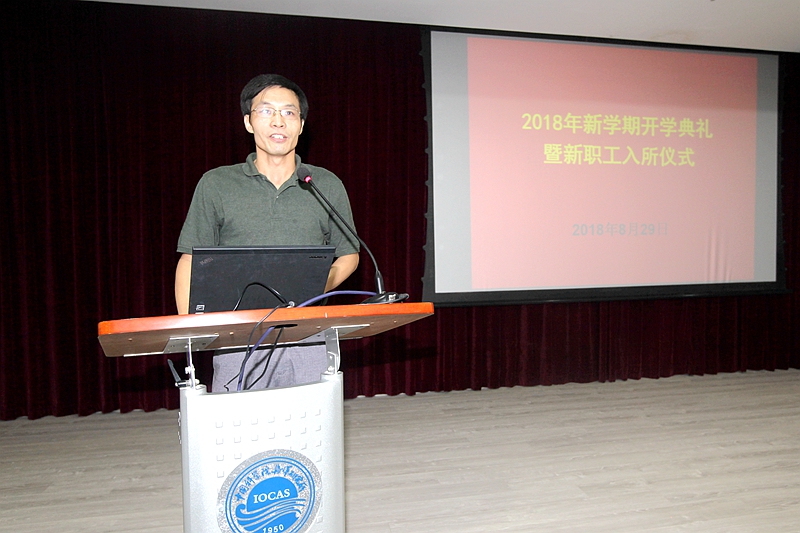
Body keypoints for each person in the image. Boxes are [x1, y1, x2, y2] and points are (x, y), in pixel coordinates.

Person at [174, 74, 360, 392]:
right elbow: (191, 258)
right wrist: (189, 330)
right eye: (266, 111)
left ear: (301, 124)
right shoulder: (216, 184)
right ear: (248, 122)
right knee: (238, 421)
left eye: (289, 112)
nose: (278, 121)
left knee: (312, 420)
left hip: (308, 335)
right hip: (237, 337)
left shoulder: (324, 184)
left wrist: (314, 287)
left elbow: (349, 254)